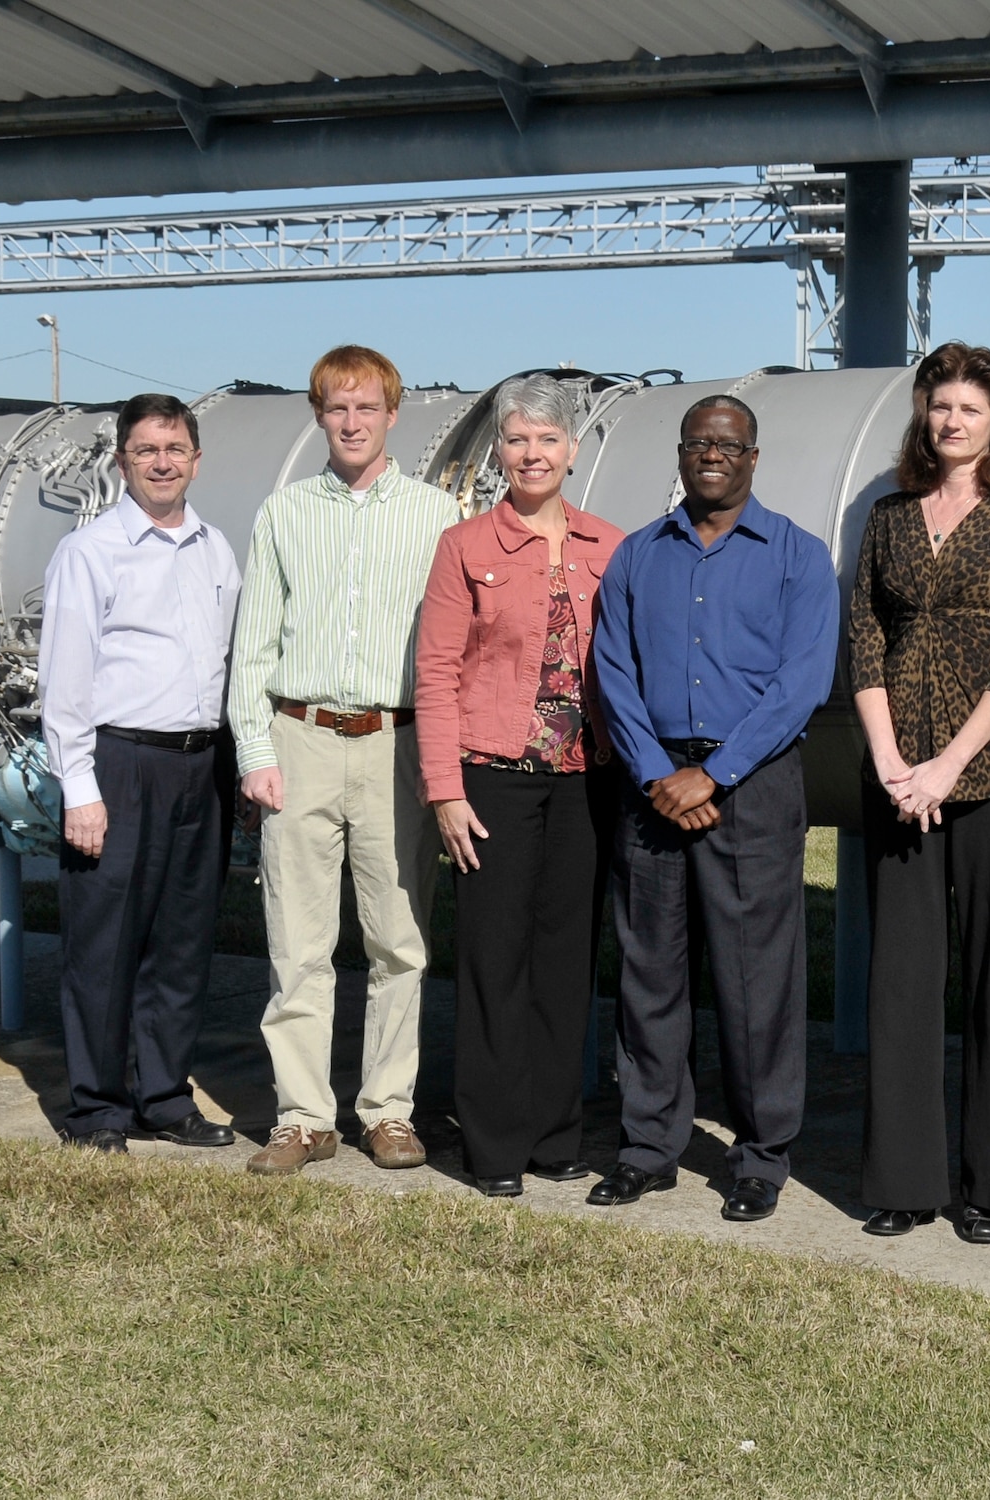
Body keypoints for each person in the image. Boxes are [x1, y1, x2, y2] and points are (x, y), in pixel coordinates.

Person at [588, 394, 837, 1224]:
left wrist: (717, 773)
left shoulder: (798, 557)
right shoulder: (636, 557)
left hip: (753, 784)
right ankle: (648, 1148)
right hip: (653, 782)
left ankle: (761, 1156)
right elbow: (612, 672)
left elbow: (802, 683)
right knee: (649, 973)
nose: (712, 456)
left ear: (754, 457)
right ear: (681, 454)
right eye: (698, 444)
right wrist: (660, 770)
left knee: (755, 977)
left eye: (728, 446)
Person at [848, 343, 990, 1243]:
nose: (951, 422)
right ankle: (904, 1180)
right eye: (940, 407)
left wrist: (948, 766)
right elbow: (863, 637)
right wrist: (896, 761)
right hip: (898, 779)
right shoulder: (890, 516)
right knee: (900, 978)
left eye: (969, 409)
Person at [228, 345, 457, 1177]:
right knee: (299, 943)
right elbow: (252, 649)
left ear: (394, 415)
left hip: (396, 743)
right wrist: (256, 752)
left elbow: (447, 650)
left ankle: (388, 1111)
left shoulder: (437, 517)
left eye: (367, 407)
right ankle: (302, 1117)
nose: (353, 422)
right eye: (337, 408)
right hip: (302, 739)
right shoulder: (284, 514)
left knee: (400, 940)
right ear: (318, 416)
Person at [415, 375, 624, 1198]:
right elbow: (434, 673)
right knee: (494, 960)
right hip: (491, 779)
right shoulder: (464, 547)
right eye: (517, 439)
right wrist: (444, 790)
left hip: (582, 781)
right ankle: (495, 1144)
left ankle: (553, 1132)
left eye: (547, 440)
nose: (532, 454)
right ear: (499, 451)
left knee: (565, 961)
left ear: (573, 452)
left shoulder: (609, 545)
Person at [39, 392, 241, 1154]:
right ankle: (97, 1109)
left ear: (196, 460)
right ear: (122, 461)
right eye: (146, 450)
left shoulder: (215, 548)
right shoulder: (89, 552)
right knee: (104, 945)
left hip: (200, 764)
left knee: (183, 942)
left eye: (175, 449)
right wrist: (80, 789)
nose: (162, 462)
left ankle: (163, 1096)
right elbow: (65, 681)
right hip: (120, 763)